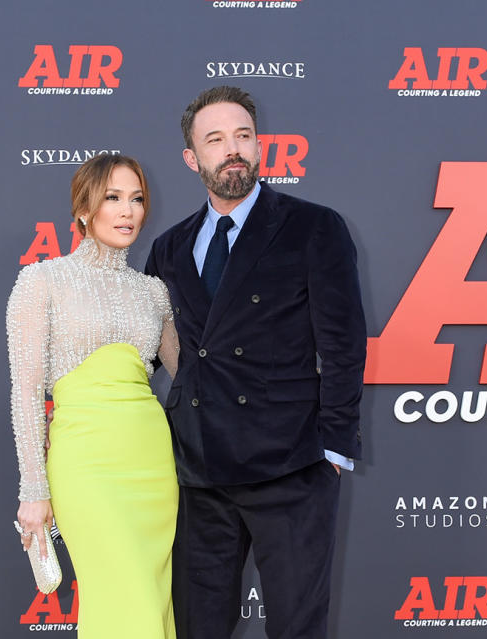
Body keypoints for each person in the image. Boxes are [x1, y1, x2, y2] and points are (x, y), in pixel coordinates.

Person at [144, 85, 366, 639]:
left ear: (259, 146)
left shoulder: (313, 227)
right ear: (193, 159)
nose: (233, 149)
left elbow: (342, 343)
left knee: (296, 626)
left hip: (290, 466)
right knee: (198, 627)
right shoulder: (169, 248)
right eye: (215, 140)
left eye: (243, 135)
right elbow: (149, 352)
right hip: (198, 473)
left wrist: (333, 447)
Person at [8, 154, 180, 639]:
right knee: (119, 599)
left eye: (137, 199)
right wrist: (33, 491)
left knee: (151, 595)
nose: (127, 211)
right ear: (84, 209)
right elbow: (24, 394)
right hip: (87, 464)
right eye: (113, 197)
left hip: (151, 463)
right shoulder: (43, 280)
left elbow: (190, 376)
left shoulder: (152, 292)